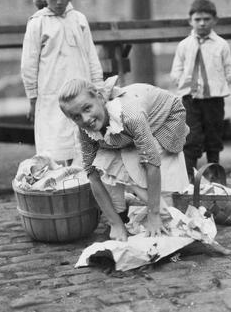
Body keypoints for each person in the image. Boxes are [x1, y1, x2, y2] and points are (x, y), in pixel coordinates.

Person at [58, 77, 189, 242]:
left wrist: (153, 215)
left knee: (137, 166)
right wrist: (114, 223)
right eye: (76, 117)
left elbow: (153, 163)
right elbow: (92, 175)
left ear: (99, 96)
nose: (85, 119)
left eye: (87, 108)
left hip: (165, 117)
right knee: (103, 164)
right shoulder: (85, 130)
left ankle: (163, 215)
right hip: (129, 129)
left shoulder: (131, 116)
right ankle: (120, 220)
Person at [21, 0, 103, 165]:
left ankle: (87, 187)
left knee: (86, 144)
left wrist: (99, 88)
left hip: (81, 92)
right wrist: (33, 99)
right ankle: (60, 188)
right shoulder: (37, 24)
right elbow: (28, 65)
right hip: (52, 95)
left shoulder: (79, 20)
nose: (59, 2)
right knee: (55, 146)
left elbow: (92, 56)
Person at [170, 0, 231, 181]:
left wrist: (220, 84)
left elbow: (229, 69)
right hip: (190, 99)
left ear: (215, 20)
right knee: (191, 137)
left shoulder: (221, 44)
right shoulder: (184, 45)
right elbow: (176, 69)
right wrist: (181, 82)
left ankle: (216, 173)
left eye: (206, 19)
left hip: (214, 99)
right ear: (190, 21)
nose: (202, 23)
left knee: (214, 136)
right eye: (197, 19)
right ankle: (189, 176)